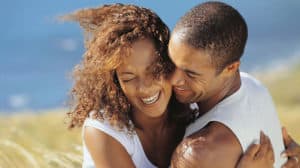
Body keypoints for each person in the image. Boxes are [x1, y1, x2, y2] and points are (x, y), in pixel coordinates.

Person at [63, 3, 277, 168]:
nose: (145, 87)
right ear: (115, 82)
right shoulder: (105, 131)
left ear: (168, 61)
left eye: (154, 70)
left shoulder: (190, 101)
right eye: (128, 78)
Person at [167, 1, 300, 168]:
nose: (173, 80)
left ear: (231, 68)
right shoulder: (254, 86)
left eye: (190, 73)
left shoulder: (200, 152)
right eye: (171, 62)